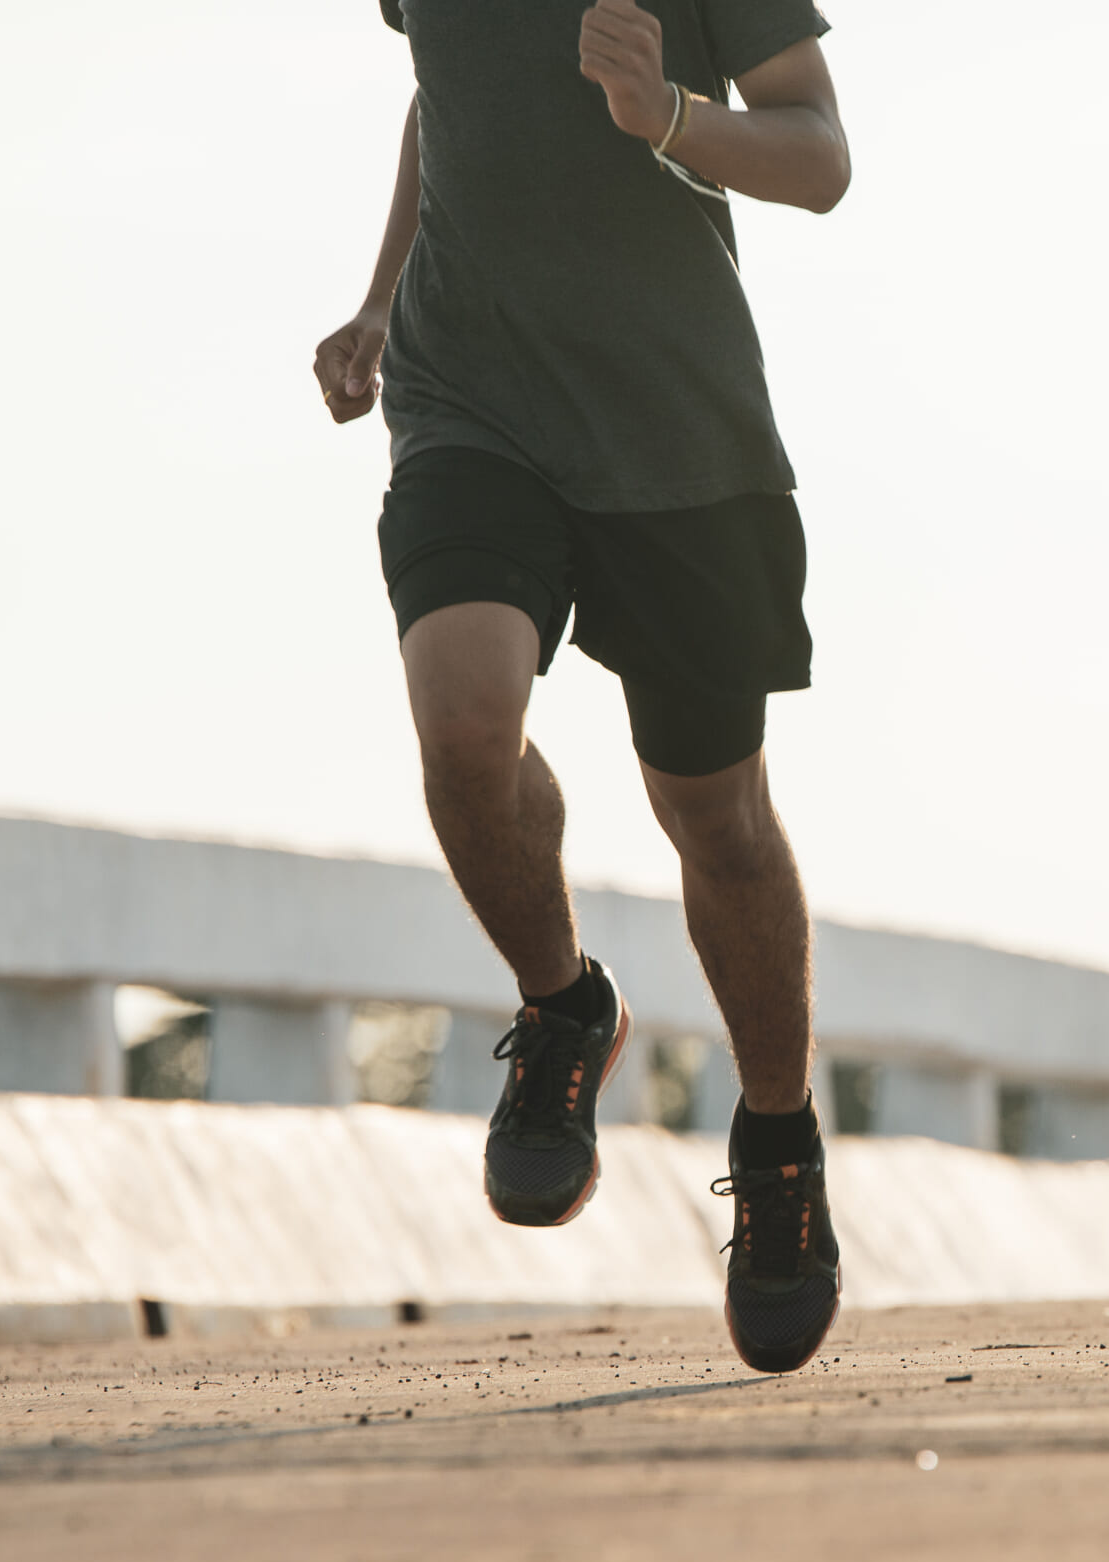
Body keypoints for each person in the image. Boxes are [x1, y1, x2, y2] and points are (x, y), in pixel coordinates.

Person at [312, 0, 849, 1374]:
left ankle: (778, 1144)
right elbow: (448, 103)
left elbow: (820, 153)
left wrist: (670, 116)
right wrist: (378, 301)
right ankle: (563, 1005)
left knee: (716, 818)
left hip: (679, 427)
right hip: (471, 398)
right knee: (467, 724)